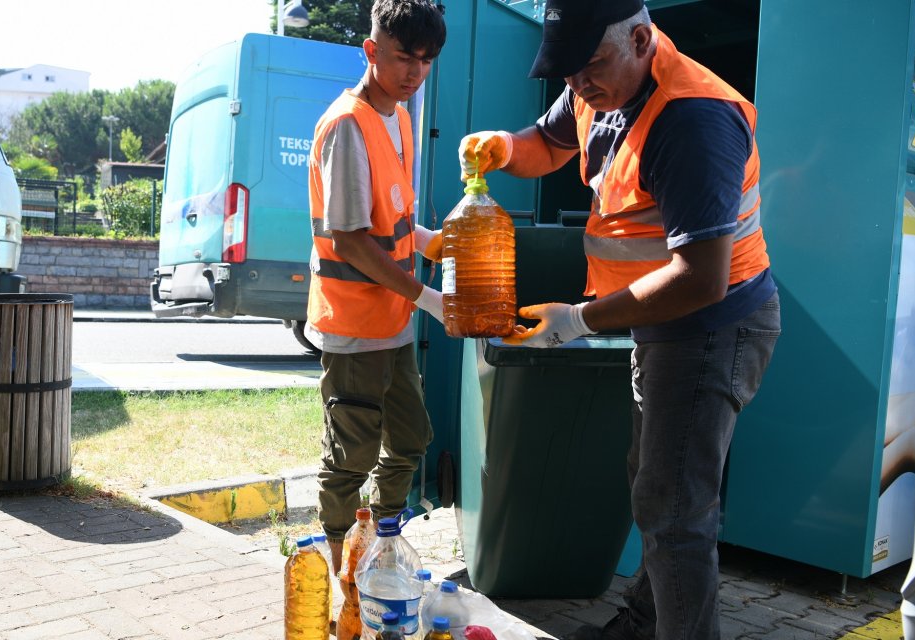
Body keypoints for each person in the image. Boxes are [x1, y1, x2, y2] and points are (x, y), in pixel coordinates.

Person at [459, 1, 780, 638]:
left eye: (590, 68)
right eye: (568, 73)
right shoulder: (597, 82)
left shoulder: (693, 118)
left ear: (640, 38)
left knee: (675, 508)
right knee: (656, 487)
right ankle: (642, 624)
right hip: (660, 325)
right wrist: (504, 148)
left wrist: (576, 320)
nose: (579, 85)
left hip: (712, 327)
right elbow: (547, 145)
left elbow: (700, 276)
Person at [304, 0, 447, 576]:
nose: (415, 72)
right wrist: (430, 299)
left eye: (426, 60)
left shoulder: (400, 115)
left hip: (391, 323)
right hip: (353, 324)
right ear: (371, 51)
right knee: (351, 456)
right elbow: (353, 241)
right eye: (404, 57)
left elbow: (390, 221)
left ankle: (382, 544)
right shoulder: (346, 124)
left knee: (411, 439)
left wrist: (435, 240)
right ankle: (341, 563)